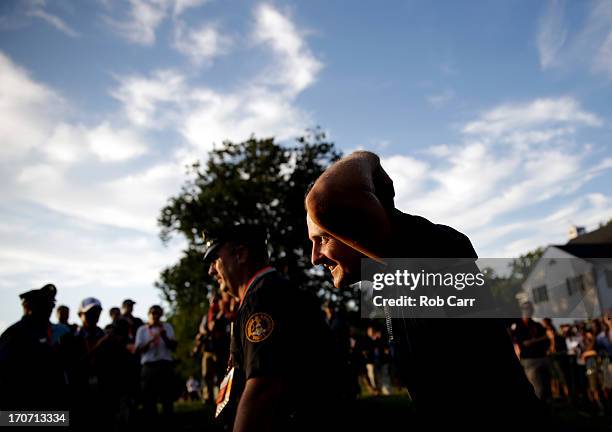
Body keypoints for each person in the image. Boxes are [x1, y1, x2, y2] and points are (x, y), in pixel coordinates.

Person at [304, 151, 544, 428]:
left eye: (323, 238)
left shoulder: (425, 249)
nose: (315, 256)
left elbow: (325, 198)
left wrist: (367, 158)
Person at [204, 224, 346, 432]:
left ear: (240, 255)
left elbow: (263, 388)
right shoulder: (272, 291)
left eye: (215, 259)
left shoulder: (262, 298)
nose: (211, 270)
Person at [0, 283, 67, 410]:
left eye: (52, 304)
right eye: (45, 304)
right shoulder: (16, 333)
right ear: (29, 307)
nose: (50, 308)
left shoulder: (55, 332)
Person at [135, 305, 177, 424]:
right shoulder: (142, 330)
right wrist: (151, 341)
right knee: (149, 399)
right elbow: (138, 350)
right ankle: (151, 422)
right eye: (153, 313)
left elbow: (173, 347)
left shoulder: (167, 327)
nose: (156, 316)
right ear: (148, 315)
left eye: (158, 313)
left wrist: (164, 336)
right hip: (149, 366)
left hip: (165, 365)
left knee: (167, 398)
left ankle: (168, 422)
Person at [511, 302, 551, 401]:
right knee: (538, 389)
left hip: (542, 357)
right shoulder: (518, 326)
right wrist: (540, 339)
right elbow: (525, 343)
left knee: (547, 388)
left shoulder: (537, 325)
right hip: (530, 361)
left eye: (530, 308)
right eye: (526, 309)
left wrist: (540, 340)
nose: (529, 310)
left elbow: (547, 339)